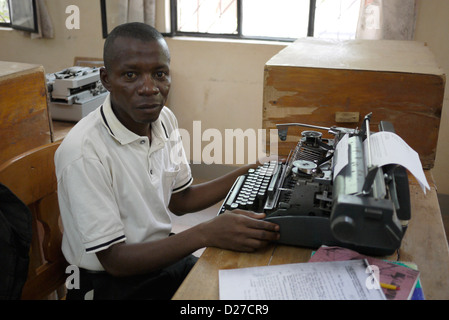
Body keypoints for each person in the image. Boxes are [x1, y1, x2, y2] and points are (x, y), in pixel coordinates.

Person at [55, 22, 280, 300]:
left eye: (159, 74)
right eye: (130, 75)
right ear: (106, 79)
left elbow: (181, 199)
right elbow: (115, 260)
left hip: (159, 258)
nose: (149, 88)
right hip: (109, 283)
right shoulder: (83, 152)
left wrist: (246, 172)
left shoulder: (163, 120)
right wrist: (206, 233)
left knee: (244, 290)